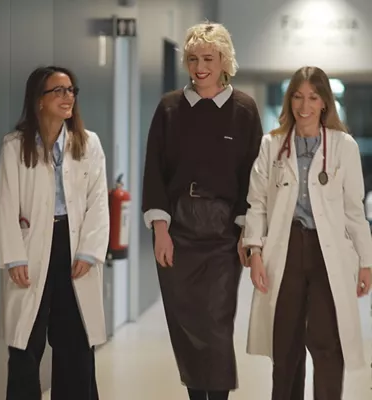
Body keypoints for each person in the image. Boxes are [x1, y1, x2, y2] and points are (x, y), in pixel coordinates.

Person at [142, 22, 263, 400]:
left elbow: (253, 177)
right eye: (193, 59)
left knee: (216, 325)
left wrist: (247, 233)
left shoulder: (244, 109)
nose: (200, 67)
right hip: (178, 228)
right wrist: (160, 230)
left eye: (208, 58)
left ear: (225, 60)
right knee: (185, 324)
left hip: (224, 232)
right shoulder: (169, 108)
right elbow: (154, 172)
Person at [243, 66, 372, 400]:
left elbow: (354, 210)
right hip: (286, 248)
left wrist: (366, 262)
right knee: (285, 342)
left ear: (325, 102)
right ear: (289, 100)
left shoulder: (343, 146)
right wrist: (254, 252)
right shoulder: (271, 145)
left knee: (327, 341)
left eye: (313, 98)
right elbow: (257, 203)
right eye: (298, 97)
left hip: (329, 254)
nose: (305, 106)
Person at [0, 66, 109, 400]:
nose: (67, 97)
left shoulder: (88, 144)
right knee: (25, 343)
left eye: (71, 90)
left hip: (74, 251)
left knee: (75, 343)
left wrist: (89, 251)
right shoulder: (15, 146)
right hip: (31, 250)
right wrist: (14, 256)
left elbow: (98, 203)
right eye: (58, 91)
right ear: (39, 100)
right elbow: (6, 204)